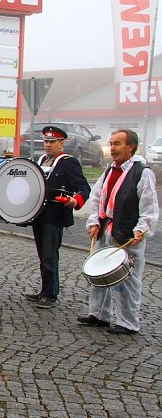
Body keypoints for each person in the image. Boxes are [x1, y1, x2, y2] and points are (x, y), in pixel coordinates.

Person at [78, 129, 158, 334]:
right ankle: (99, 314)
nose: (112, 148)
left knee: (128, 279)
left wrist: (141, 229)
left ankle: (128, 322)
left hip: (127, 232)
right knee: (100, 272)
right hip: (106, 228)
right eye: (111, 144)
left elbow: (149, 207)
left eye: (117, 144)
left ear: (131, 147)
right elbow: (97, 199)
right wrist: (94, 220)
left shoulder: (142, 172)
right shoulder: (109, 171)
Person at [22, 126, 91, 309]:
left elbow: (84, 188)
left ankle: (50, 294)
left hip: (55, 215)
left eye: (52, 142)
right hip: (39, 214)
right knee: (43, 255)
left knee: (50, 256)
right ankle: (45, 290)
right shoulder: (43, 159)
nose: (48, 145)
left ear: (62, 143)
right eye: (46, 141)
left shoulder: (68, 162)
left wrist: (76, 201)